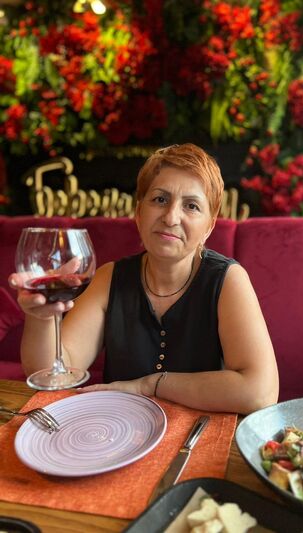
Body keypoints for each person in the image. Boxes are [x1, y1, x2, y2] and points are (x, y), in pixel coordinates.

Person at [9, 143, 278, 414]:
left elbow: (260, 393)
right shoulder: (108, 279)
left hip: (201, 433)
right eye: (160, 199)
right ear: (139, 213)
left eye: (191, 206)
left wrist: (148, 386)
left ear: (209, 226)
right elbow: (55, 374)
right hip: (118, 430)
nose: (171, 217)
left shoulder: (228, 280)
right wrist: (42, 317)